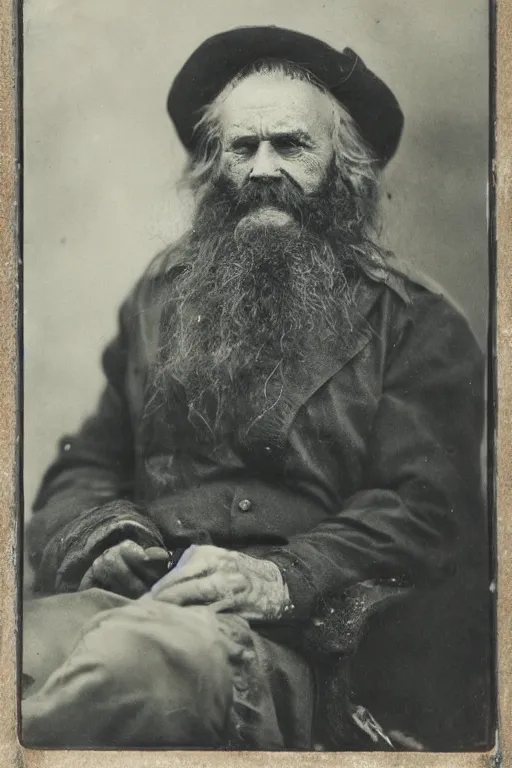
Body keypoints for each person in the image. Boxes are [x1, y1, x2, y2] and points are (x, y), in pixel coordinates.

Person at [21, 26, 493, 751]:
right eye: (242, 148)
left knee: (137, 669)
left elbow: (426, 510)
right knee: (20, 655)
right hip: (130, 599)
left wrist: (278, 575)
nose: (263, 169)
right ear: (215, 166)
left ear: (345, 165)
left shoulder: (417, 320)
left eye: (291, 145)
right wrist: (102, 536)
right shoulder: (158, 299)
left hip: (282, 643)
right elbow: (84, 466)